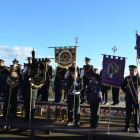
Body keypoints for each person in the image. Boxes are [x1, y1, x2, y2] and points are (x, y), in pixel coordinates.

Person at [121, 65, 139, 133]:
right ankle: (127, 126)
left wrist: (139, 78)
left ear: (136, 71)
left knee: (136, 113)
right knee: (128, 113)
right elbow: (122, 86)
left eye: (133, 70)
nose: (131, 72)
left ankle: (136, 127)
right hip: (128, 98)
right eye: (130, 70)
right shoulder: (127, 78)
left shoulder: (138, 79)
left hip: (136, 98)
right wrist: (127, 91)